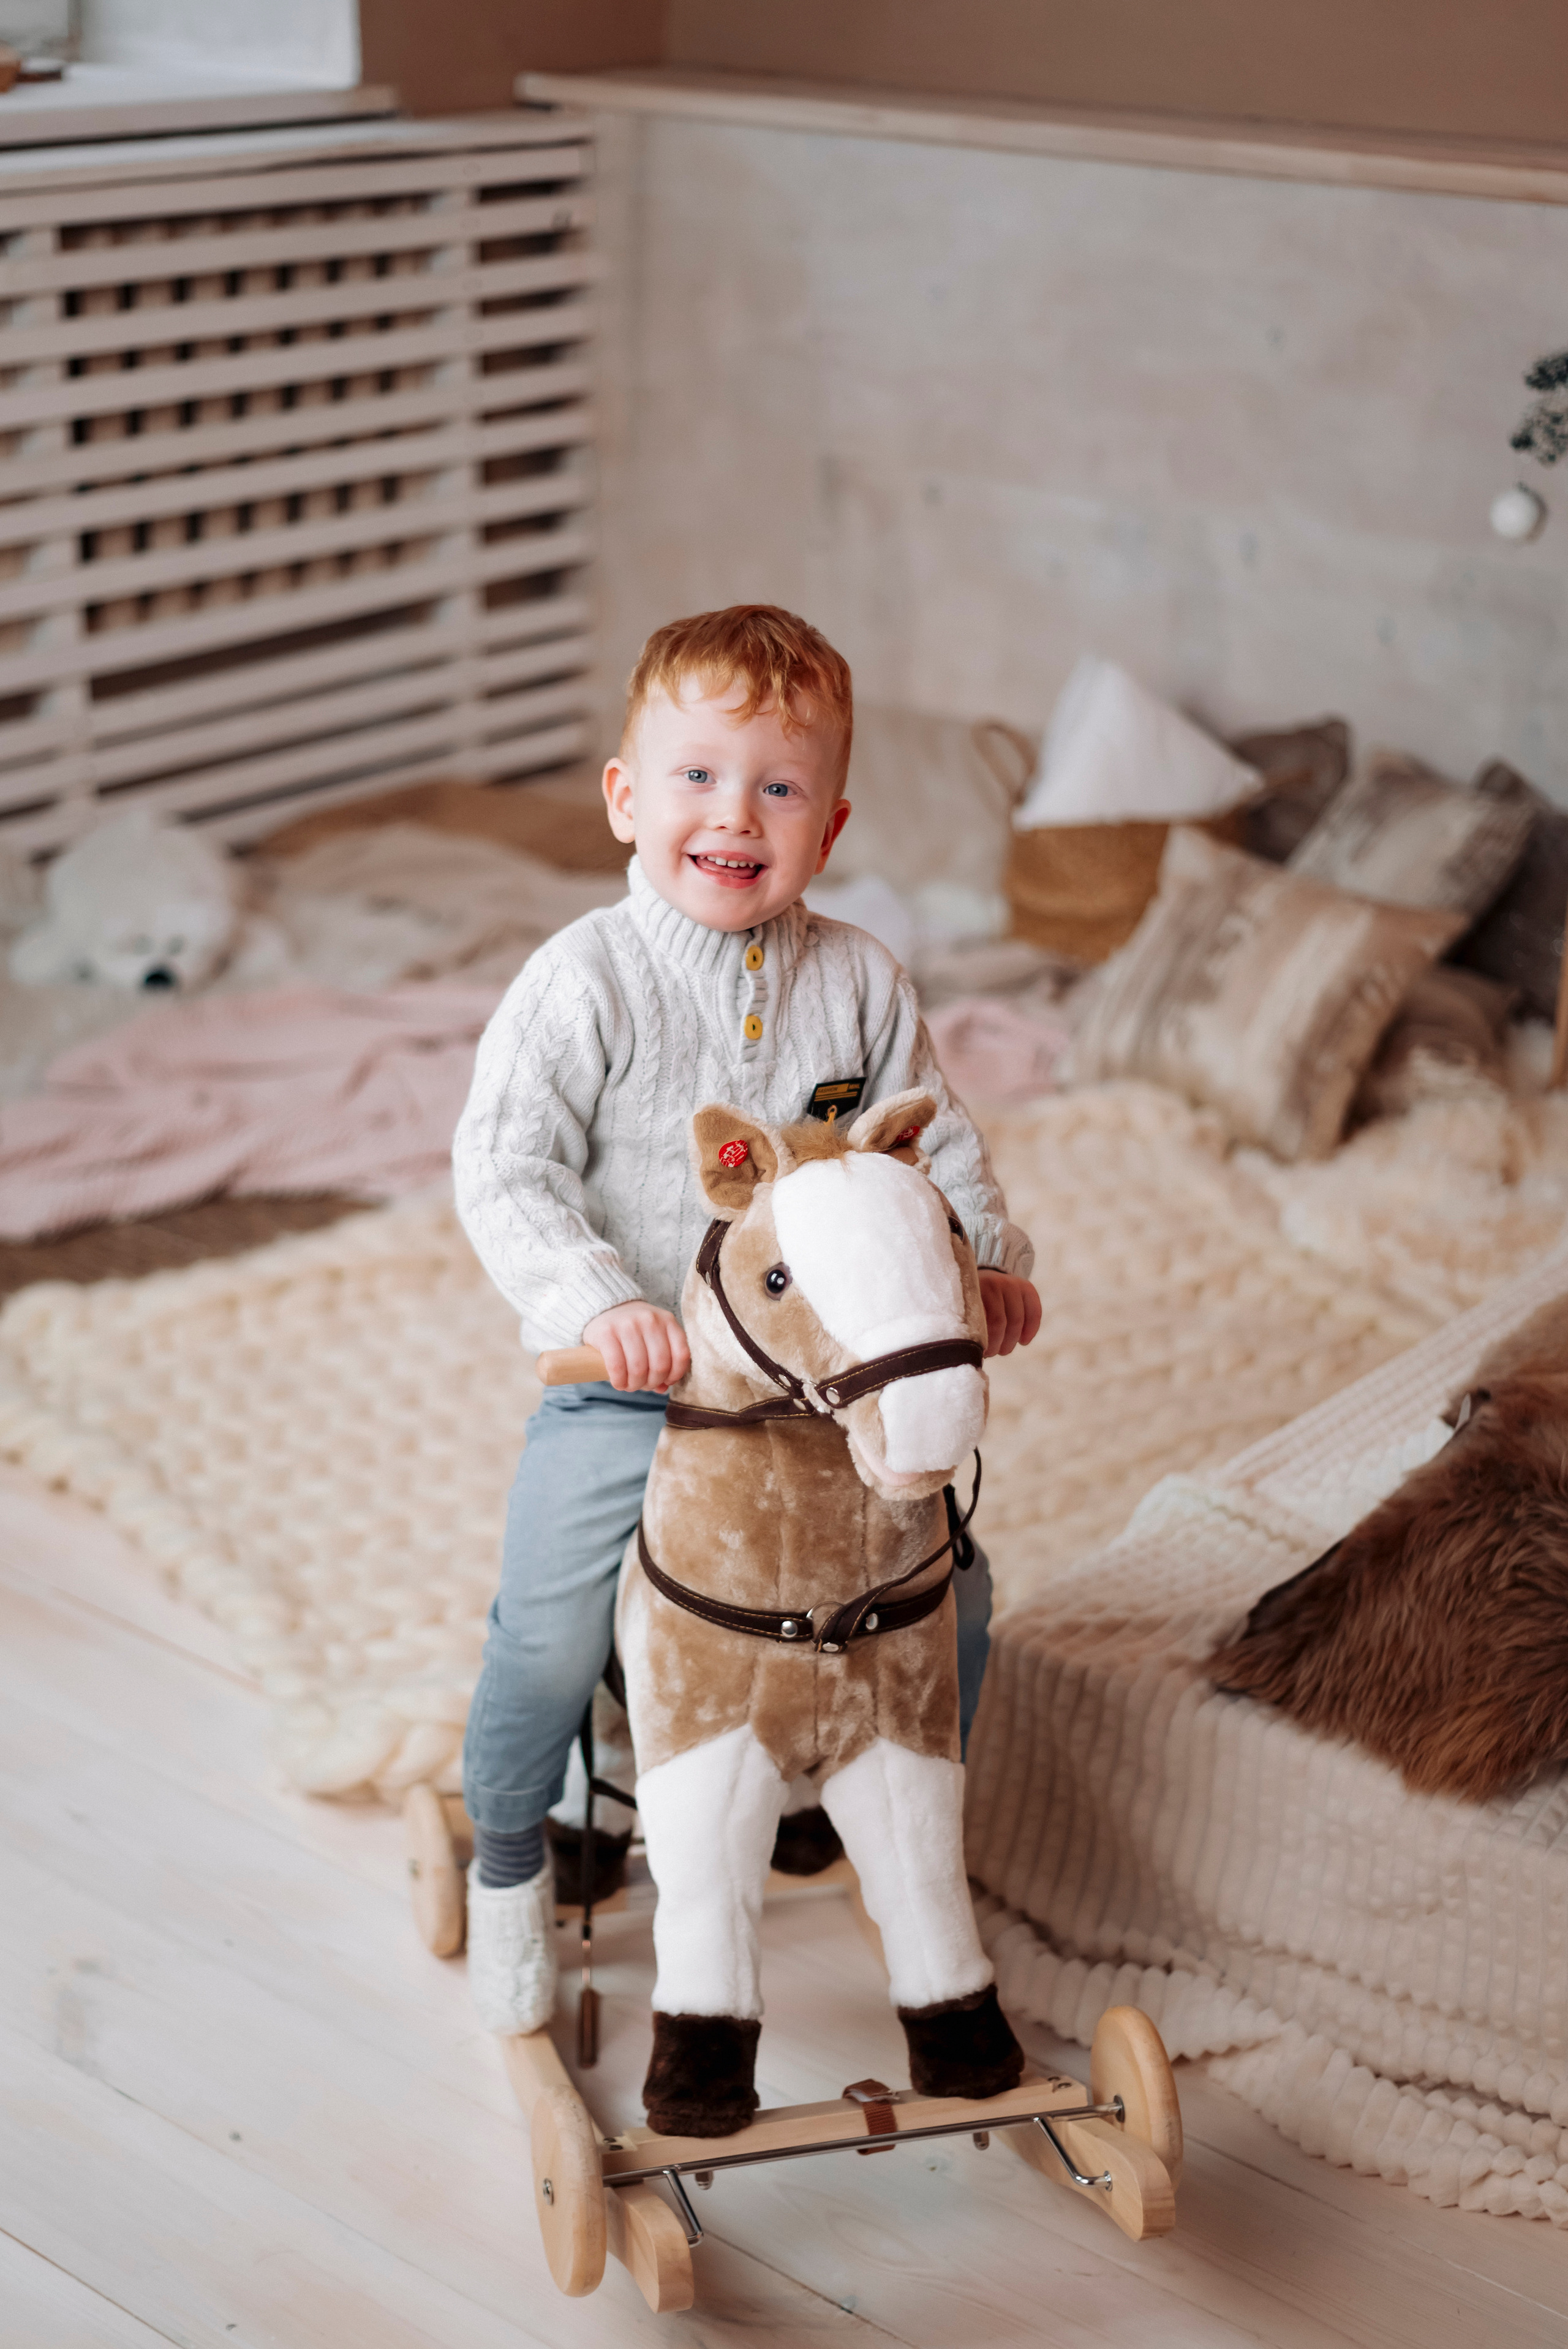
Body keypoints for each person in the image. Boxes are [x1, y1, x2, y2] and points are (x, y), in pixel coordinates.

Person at [452, 604, 1041, 2032]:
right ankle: (513, 1858)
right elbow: (504, 1162)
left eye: (776, 788)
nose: (734, 816)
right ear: (624, 799)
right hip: (635, 1379)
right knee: (541, 1631)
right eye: (698, 778)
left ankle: (823, 1790)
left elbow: (929, 1144)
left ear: (826, 825)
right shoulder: (583, 981)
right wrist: (600, 1300)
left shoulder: (858, 981)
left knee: (946, 1602)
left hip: (816, 1392)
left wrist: (986, 1260)